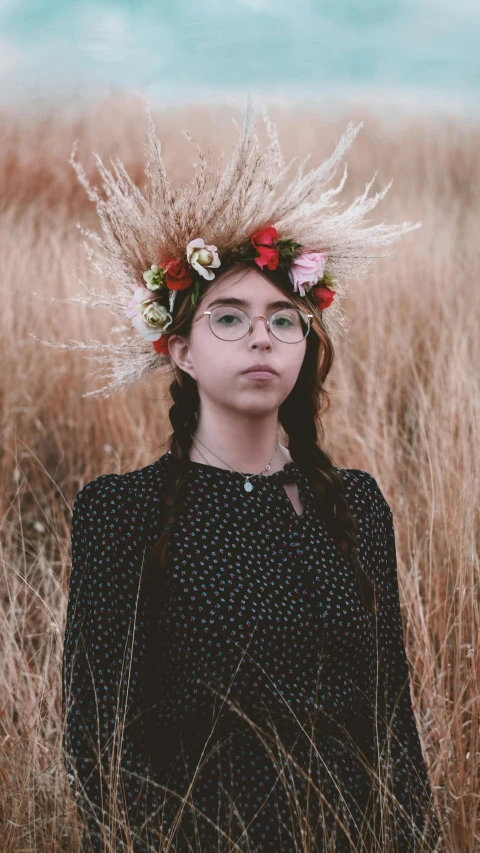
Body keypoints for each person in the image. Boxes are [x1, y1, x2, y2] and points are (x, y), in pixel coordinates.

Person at [38, 100, 443, 851]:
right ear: (181, 351)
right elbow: (94, 744)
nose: (261, 334)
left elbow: (394, 727)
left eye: (283, 317)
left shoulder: (354, 504)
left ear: (303, 343)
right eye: (228, 316)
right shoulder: (120, 512)